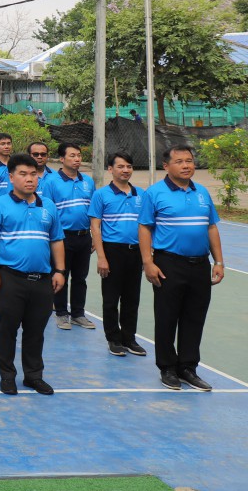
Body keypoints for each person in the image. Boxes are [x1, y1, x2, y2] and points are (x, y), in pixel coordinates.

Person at [138, 145, 225, 391]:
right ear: (166, 166)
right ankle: (167, 368)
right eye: (179, 161)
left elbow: (211, 227)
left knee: (194, 318)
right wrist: (148, 263)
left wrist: (218, 261)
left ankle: (188, 367)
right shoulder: (154, 193)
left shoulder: (202, 193)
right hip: (169, 264)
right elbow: (144, 228)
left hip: (200, 265)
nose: (186, 165)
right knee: (166, 317)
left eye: (189, 160)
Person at [0, 153, 66, 396]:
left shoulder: (47, 205)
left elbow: (57, 239)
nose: (30, 179)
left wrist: (59, 270)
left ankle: (33, 376)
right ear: (11, 177)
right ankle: (7, 376)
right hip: (10, 276)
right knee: (8, 328)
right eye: (23, 174)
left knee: (36, 330)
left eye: (33, 174)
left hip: (41, 279)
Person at [88, 151, 147, 357]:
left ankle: (129, 338)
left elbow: (147, 226)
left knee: (132, 299)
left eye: (129, 166)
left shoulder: (141, 194)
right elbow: (95, 227)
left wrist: (147, 255)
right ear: (111, 169)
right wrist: (102, 257)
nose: (125, 170)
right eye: (120, 166)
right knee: (111, 299)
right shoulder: (101, 195)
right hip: (113, 251)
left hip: (136, 252)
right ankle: (113, 339)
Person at [44, 143, 97, 330]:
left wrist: (93, 237)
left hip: (84, 237)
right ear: (62, 159)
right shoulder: (51, 182)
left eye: (79, 155)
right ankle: (60, 313)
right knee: (60, 274)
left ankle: (78, 314)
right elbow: (47, 210)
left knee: (80, 278)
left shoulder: (88, 182)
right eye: (72, 155)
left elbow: (93, 211)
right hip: (61, 238)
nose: (77, 159)